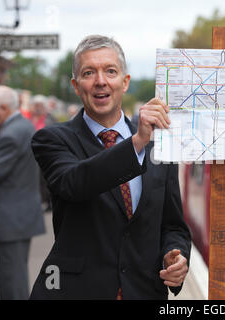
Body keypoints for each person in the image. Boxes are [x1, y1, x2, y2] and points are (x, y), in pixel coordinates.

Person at [29, 35, 191, 299]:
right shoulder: (52, 139)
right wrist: (136, 143)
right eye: (89, 73)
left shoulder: (160, 144)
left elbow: (173, 225)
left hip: (144, 291)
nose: (100, 81)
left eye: (111, 71)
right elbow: (75, 183)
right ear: (76, 85)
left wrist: (175, 257)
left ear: (125, 82)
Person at [0, 85, 46, 300]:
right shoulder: (22, 127)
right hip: (19, 215)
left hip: (10, 218)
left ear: (5, 108)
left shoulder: (10, 133)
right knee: (15, 278)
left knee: (12, 283)